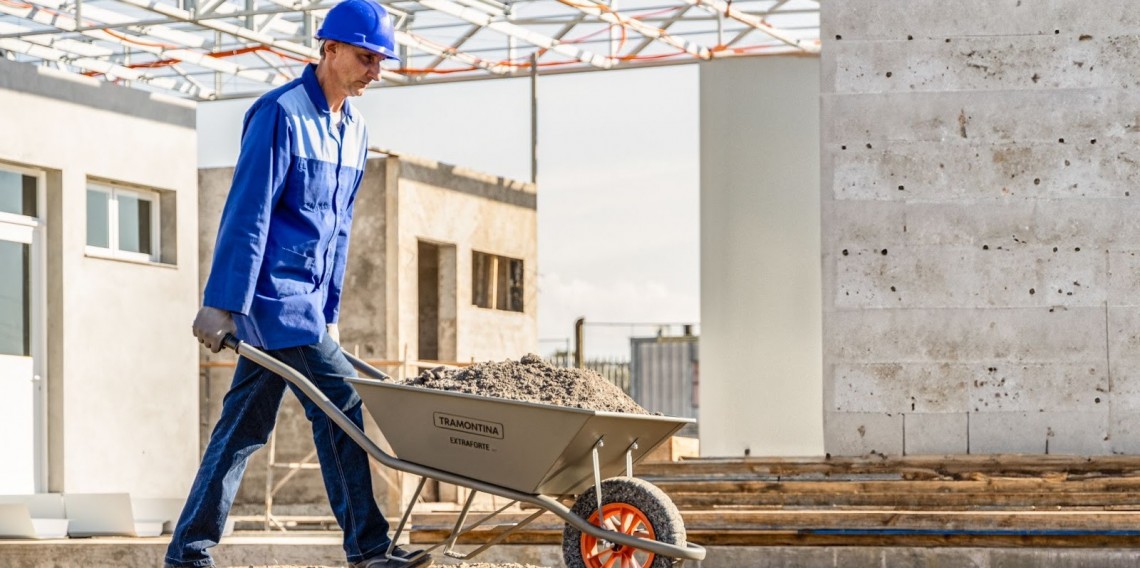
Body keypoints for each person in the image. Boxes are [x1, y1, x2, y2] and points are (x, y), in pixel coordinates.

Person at [163, 1, 431, 566]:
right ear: (329, 49)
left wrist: (330, 308)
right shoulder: (280, 113)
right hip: (272, 301)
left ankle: (188, 553)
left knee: (241, 429)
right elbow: (248, 211)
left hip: (309, 306)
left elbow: (337, 230)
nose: (375, 72)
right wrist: (221, 303)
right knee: (341, 407)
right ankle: (369, 548)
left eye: (380, 61)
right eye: (365, 57)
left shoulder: (355, 131)